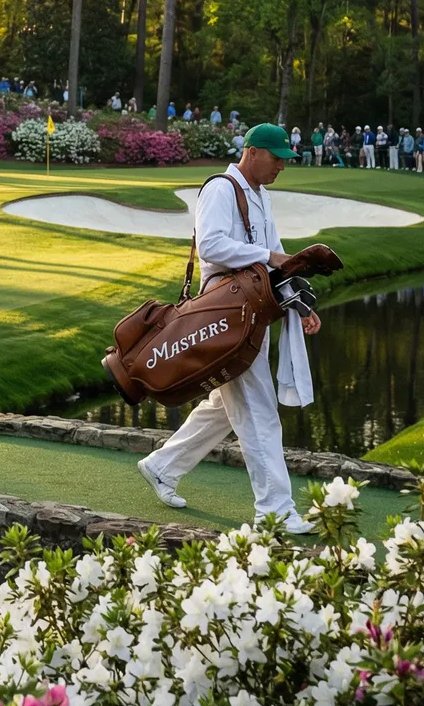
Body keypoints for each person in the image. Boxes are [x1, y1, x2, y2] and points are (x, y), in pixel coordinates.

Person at [138, 123, 324, 534]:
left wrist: (300, 304)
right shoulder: (221, 188)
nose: (281, 166)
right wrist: (269, 255)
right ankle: (275, 511)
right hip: (225, 318)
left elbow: (278, 265)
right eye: (276, 158)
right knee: (259, 411)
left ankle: (162, 466)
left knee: (226, 406)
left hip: (251, 314)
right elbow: (212, 246)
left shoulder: (261, 195)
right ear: (253, 152)